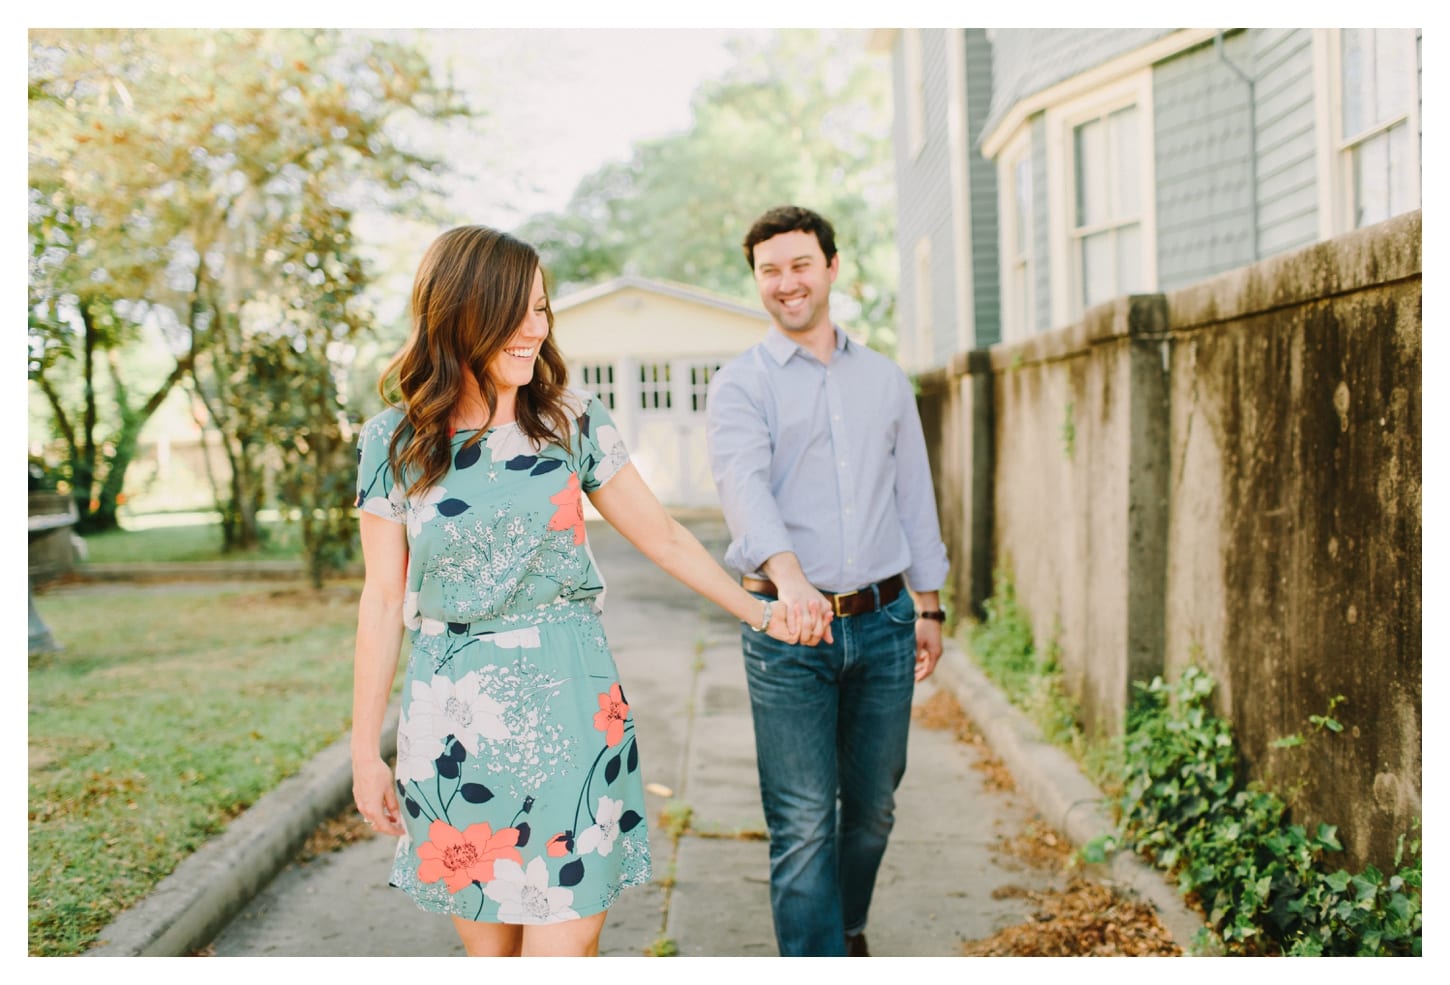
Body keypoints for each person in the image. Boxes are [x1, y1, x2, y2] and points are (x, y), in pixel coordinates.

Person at [351, 224, 808, 958]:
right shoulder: (394, 443)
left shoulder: (570, 420)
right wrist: (363, 750)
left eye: (543, 309)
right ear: (463, 310)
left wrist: (761, 613)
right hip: (452, 726)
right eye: (519, 311)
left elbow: (663, 536)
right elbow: (380, 601)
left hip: (569, 708)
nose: (538, 328)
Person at [705, 205, 951, 957]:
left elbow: (914, 493)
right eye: (769, 270)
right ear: (757, 280)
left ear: (832, 267)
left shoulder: (884, 380)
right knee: (804, 817)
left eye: (800, 264)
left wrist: (931, 603)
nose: (786, 283)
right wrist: (790, 578)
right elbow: (744, 487)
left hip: (883, 624)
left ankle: (842, 928)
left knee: (872, 809)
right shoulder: (740, 386)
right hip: (788, 629)